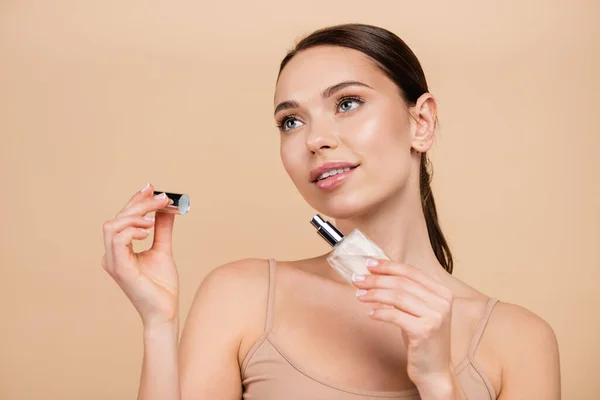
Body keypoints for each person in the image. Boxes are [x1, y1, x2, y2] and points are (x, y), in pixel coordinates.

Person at [101, 23, 561, 399]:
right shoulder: (239, 297)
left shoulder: (520, 341)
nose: (315, 140)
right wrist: (158, 325)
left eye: (347, 103)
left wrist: (439, 381)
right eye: (291, 121)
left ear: (421, 123)